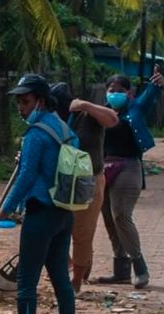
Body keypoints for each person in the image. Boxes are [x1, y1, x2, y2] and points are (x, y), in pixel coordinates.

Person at [0, 74, 78, 314]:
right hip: (64, 214)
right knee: (61, 281)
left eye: (25, 101)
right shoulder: (65, 130)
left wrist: (5, 208)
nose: (20, 107)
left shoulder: (35, 134)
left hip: (40, 214)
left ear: (40, 100)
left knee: (27, 282)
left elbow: (26, 177)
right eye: (18, 102)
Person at [97, 67, 164, 289]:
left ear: (129, 93)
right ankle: (121, 270)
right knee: (107, 216)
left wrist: (156, 83)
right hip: (105, 168)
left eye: (119, 90)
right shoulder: (102, 113)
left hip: (128, 167)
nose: (114, 93)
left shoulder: (135, 108)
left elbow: (150, 95)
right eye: (110, 90)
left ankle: (140, 267)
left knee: (121, 216)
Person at [50, 83, 119, 294]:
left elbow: (113, 119)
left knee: (82, 233)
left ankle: (77, 281)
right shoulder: (52, 121)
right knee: (54, 231)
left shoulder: (88, 117)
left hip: (89, 181)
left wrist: (87, 106)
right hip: (60, 181)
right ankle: (73, 264)